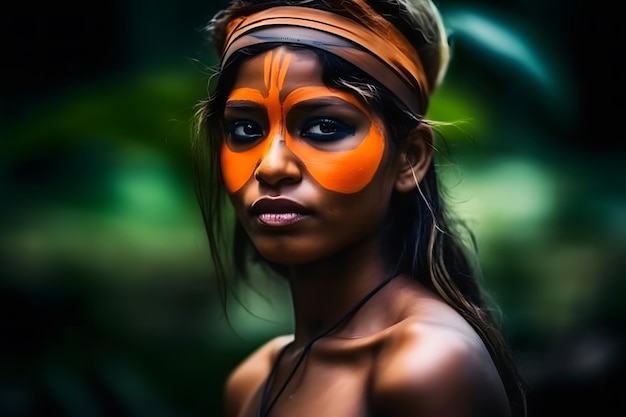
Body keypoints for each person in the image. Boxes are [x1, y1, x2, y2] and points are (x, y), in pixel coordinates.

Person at [191, 0, 527, 416]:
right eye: (245, 129)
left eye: (325, 127)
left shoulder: (426, 366)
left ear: (410, 158)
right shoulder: (253, 380)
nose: (272, 166)